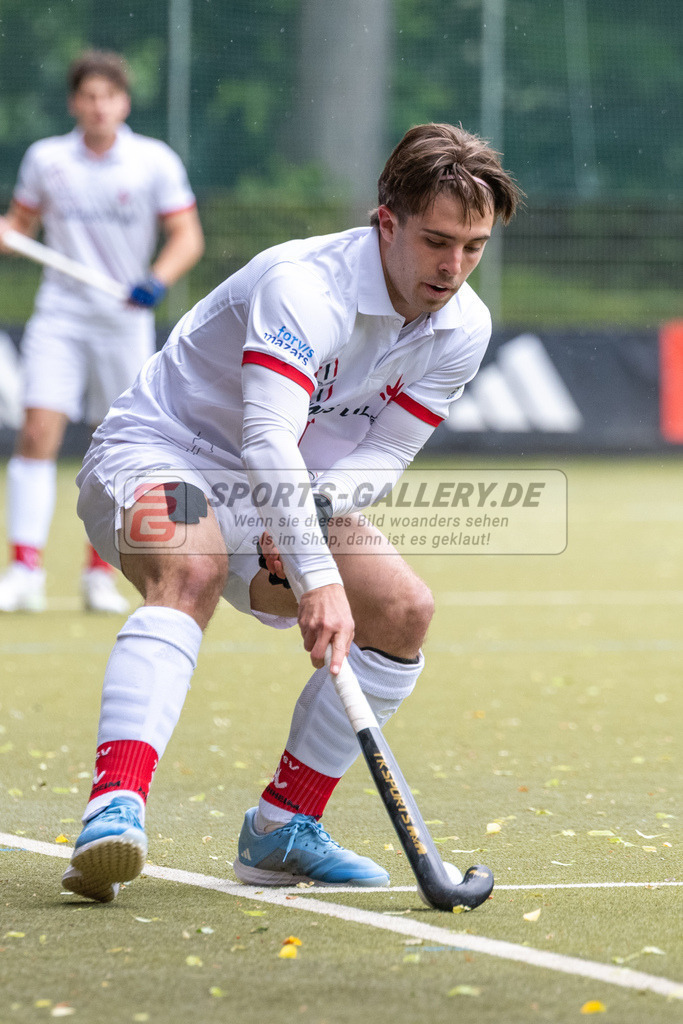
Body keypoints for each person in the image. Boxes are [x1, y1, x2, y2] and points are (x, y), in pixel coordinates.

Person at [61, 122, 522, 902]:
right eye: (437, 240)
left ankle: (281, 829)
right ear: (387, 220)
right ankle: (116, 804)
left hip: (284, 484)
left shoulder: (461, 325)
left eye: (473, 246)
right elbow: (264, 433)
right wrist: (313, 575)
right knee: (192, 564)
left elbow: (386, 455)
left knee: (402, 610)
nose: (453, 268)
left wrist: (307, 510)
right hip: (161, 456)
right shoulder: (306, 284)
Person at [0, 49, 204, 614]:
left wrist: (155, 282)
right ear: (74, 103)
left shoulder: (153, 162)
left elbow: (188, 237)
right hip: (59, 316)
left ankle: (98, 574)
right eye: (88, 97)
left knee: (114, 446)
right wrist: (8, 232)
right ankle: (23, 570)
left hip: (124, 322)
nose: (98, 107)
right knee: (38, 432)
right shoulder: (46, 160)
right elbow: (18, 228)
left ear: (124, 104)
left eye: (108, 97)